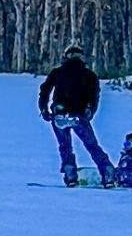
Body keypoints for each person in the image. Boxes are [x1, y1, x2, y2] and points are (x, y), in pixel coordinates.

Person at [38, 48, 113, 183]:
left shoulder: (58, 72)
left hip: (60, 116)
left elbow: (44, 90)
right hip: (79, 116)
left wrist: (44, 109)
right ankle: (107, 172)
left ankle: (70, 173)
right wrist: (90, 112)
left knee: (65, 146)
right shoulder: (89, 75)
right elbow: (94, 96)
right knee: (92, 145)